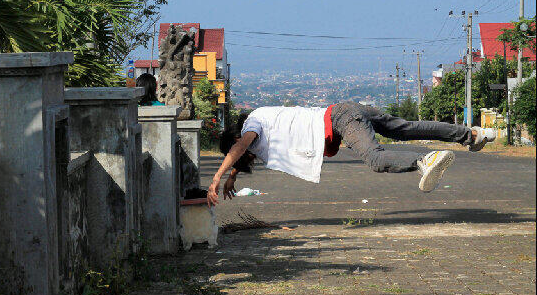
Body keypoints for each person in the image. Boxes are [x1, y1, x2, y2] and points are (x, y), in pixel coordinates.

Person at [208, 102, 497, 206]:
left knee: (375, 159)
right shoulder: (257, 127)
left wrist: (217, 178)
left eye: (241, 159)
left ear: (235, 140)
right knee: (404, 128)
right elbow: (243, 151)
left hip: (341, 120)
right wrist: (232, 176)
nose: (248, 160)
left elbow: (240, 147)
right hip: (345, 109)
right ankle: (471, 135)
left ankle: (425, 161)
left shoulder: (251, 126)